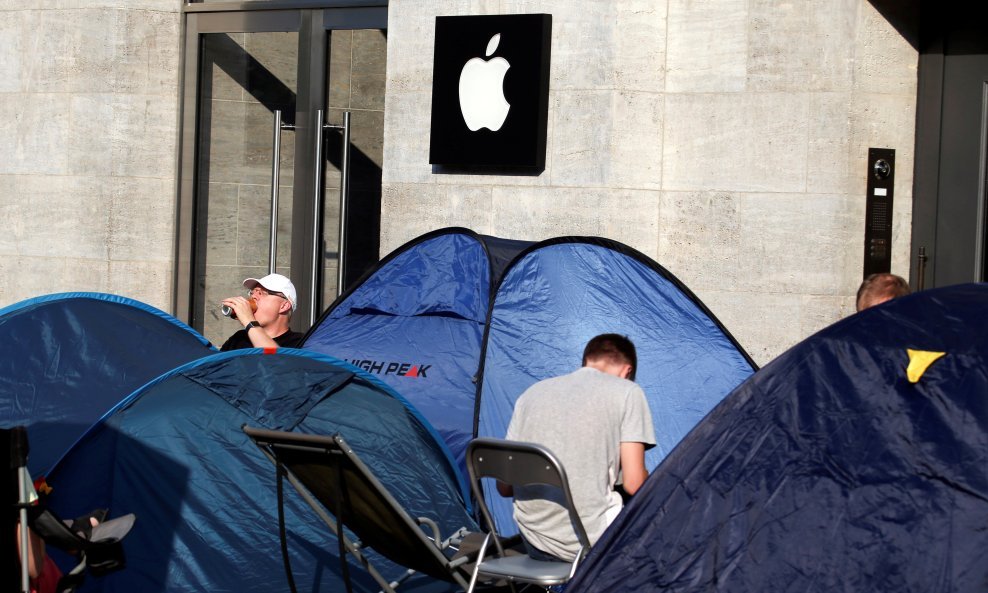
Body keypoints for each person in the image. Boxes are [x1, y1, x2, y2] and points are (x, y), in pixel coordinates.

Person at [500, 334, 656, 562]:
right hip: (586, 546)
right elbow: (634, 485)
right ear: (627, 372)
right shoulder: (628, 392)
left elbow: (504, 488)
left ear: (586, 361)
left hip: (532, 540)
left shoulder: (532, 393)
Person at [220, 273, 304, 351]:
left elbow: (277, 361)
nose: (253, 297)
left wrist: (249, 321)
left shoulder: (300, 343)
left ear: (284, 306)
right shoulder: (238, 339)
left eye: (261, 293)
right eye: (252, 293)